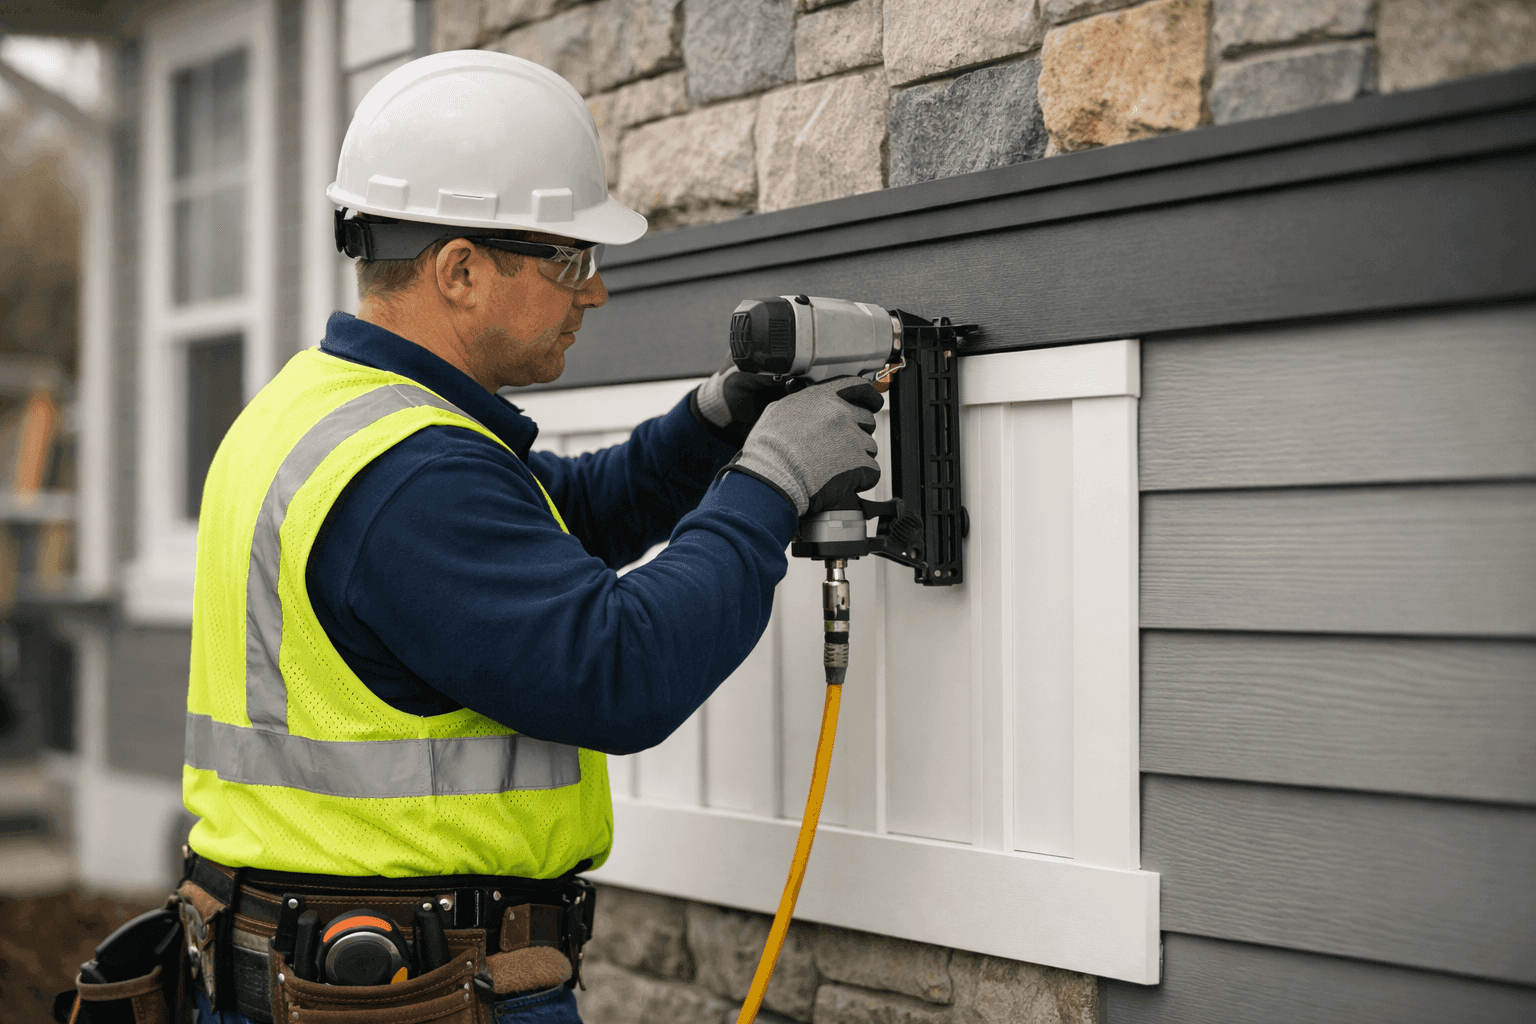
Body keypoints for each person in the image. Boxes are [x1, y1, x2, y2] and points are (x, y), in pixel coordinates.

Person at [176, 50, 883, 1024]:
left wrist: (717, 420)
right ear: (460, 269)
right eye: (569, 261)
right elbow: (617, 667)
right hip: (412, 993)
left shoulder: (327, 415)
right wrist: (774, 479)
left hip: (345, 971)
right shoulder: (412, 474)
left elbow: (563, 517)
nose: (591, 294)